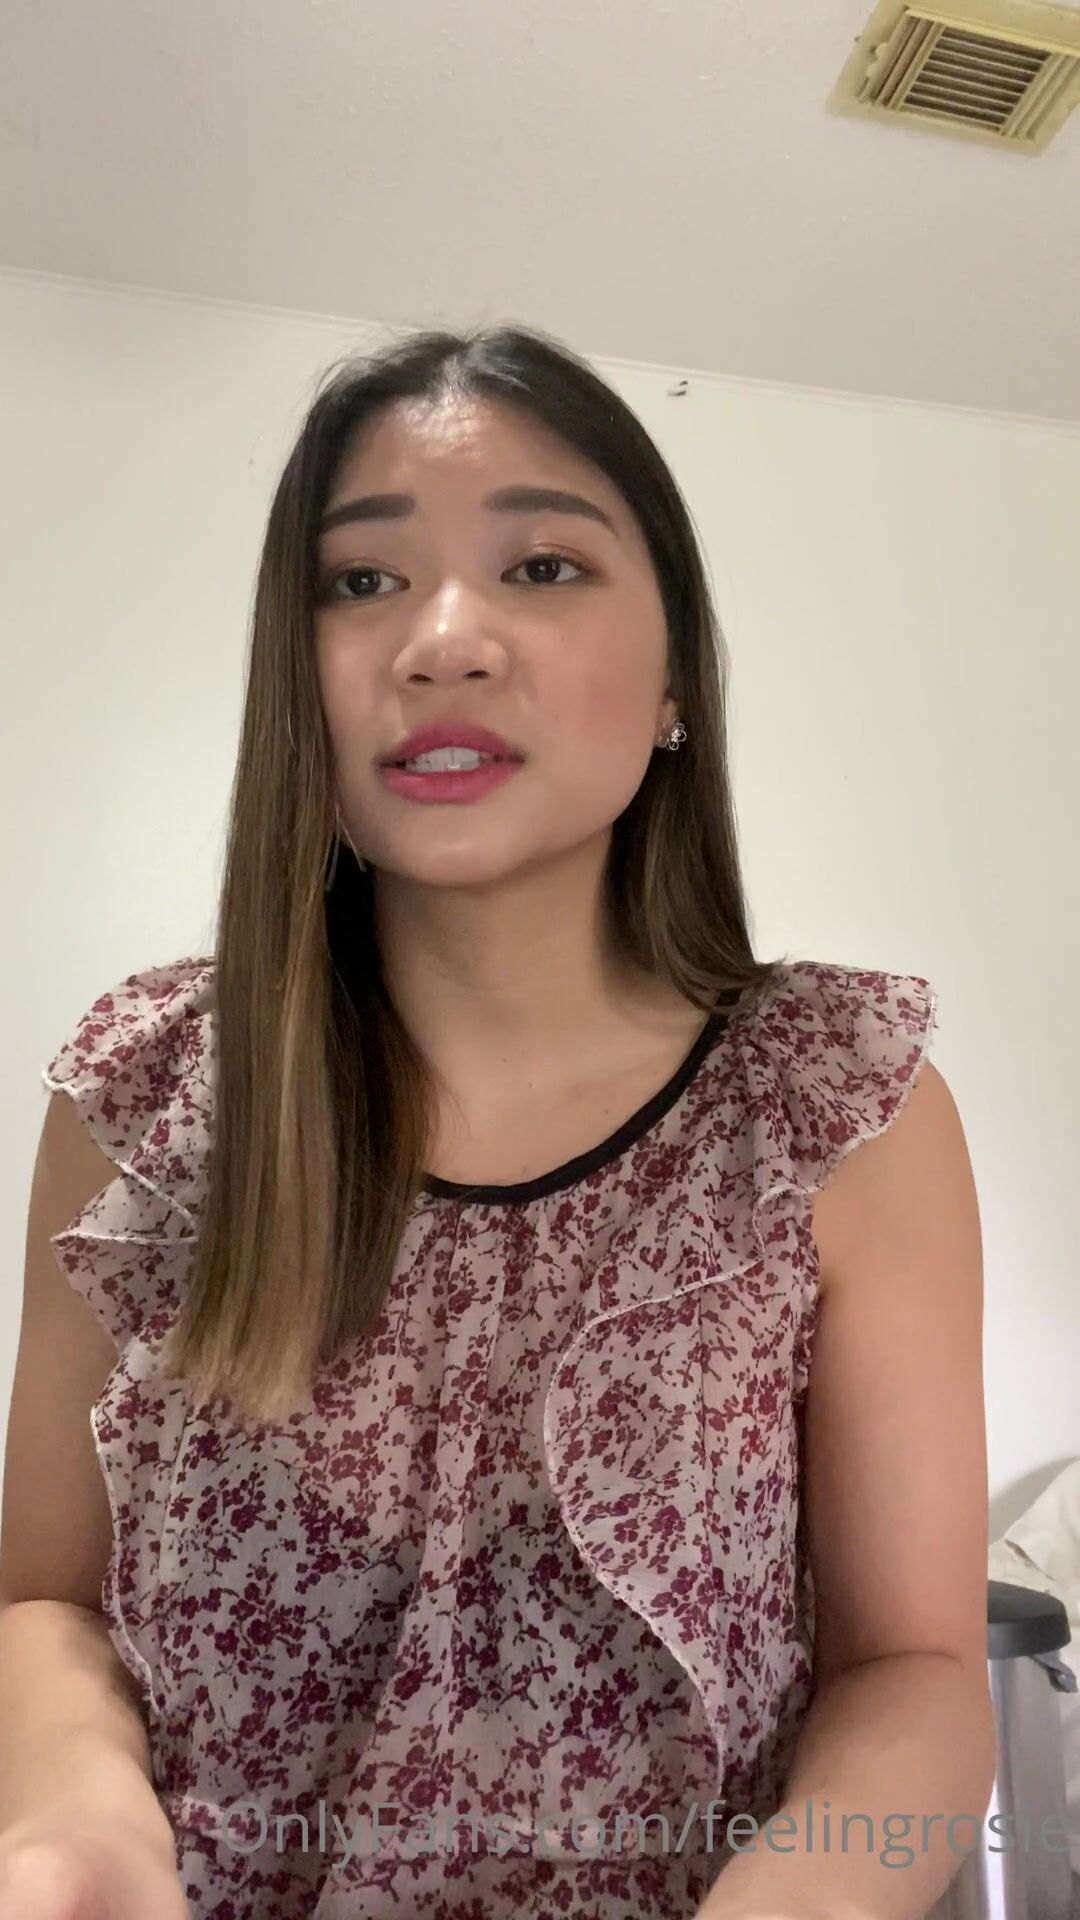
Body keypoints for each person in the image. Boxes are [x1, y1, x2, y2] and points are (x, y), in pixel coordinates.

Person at [0, 325, 994, 1920]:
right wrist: (72, 1826)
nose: (443, 641)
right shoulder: (143, 1100)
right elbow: (42, 1601)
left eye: (542, 566)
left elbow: (919, 1668)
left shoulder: (841, 1107)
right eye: (362, 581)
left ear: (675, 682)